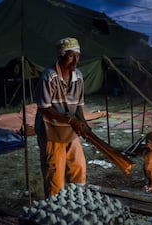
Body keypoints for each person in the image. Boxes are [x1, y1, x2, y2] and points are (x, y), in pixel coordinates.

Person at [34, 37, 90, 197]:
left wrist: (83, 123)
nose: (75, 60)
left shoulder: (78, 76)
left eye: (78, 56)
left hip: (70, 128)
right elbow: (45, 109)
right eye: (71, 56)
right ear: (60, 56)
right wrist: (72, 121)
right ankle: (55, 206)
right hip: (50, 130)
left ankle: (77, 200)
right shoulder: (49, 77)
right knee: (54, 174)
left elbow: (79, 105)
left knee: (78, 167)